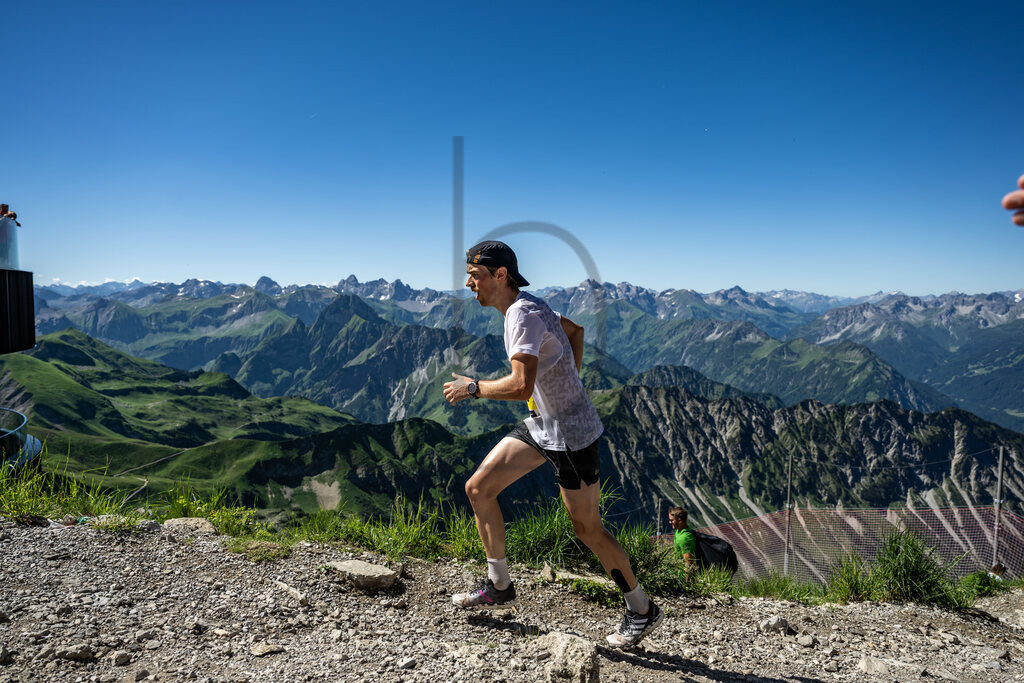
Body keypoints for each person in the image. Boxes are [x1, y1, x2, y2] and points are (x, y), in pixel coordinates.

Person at [443, 240, 663, 649]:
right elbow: (575, 331)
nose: (469, 284)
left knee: (587, 529)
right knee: (479, 488)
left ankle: (641, 608)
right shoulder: (531, 305)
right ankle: (499, 585)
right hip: (545, 426)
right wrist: (564, 383)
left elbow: (520, 383)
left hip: (572, 438)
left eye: (474, 276)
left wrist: (472, 387)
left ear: (500, 275)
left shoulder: (520, 317)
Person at [668, 506, 697, 577]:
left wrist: (687, 585)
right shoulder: (679, 531)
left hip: (683, 578)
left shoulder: (684, 538)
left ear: (679, 520)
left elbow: (689, 563)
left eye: (672, 520)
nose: (670, 522)